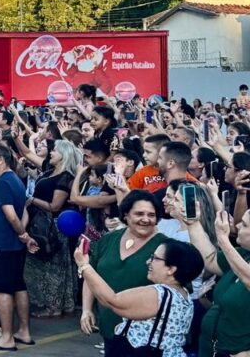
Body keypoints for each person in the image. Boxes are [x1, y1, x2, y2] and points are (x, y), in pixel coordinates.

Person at [76, 240, 202, 357]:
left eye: (155, 258)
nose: (148, 261)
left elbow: (111, 300)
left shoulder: (159, 294)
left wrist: (84, 266)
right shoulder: (182, 293)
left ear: (171, 269)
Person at [82, 191, 170, 349]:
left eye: (151, 214)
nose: (145, 219)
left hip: (147, 337)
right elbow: (91, 275)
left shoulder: (166, 247)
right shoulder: (109, 239)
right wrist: (87, 310)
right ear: (126, 214)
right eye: (139, 213)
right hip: (110, 328)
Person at [0, 144, 37, 352]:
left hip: (1, 244)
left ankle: (6, 337)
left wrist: (22, 234)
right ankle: (24, 331)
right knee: (18, 286)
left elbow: (11, 214)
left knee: (2, 290)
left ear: (1, 160)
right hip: (12, 245)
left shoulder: (3, 182)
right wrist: (24, 236)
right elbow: (24, 212)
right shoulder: (16, 180)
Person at [25, 139, 79, 318]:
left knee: (53, 268)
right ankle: (54, 303)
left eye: (54, 151)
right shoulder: (49, 171)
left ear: (64, 154)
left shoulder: (65, 177)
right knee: (43, 266)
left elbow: (55, 205)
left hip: (53, 226)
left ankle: (54, 306)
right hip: (40, 222)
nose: (51, 153)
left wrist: (31, 199)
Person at [184, 208, 250, 356]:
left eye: (244, 225)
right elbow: (211, 260)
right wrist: (193, 224)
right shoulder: (244, 255)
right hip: (211, 347)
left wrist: (223, 239)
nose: (237, 226)